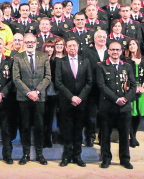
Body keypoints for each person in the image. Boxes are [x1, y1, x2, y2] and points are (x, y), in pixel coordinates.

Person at [12, 33, 51, 165]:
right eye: (27, 41)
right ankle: (26, 154)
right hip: (24, 98)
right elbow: (16, 78)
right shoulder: (17, 57)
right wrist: (29, 93)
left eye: (32, 42)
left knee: (40, 127)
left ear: (36, 43)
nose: (29, 44)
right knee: (25, 126)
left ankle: (40, 154)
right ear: (23, 42)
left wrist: (37, 91)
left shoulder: (44, 56)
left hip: (39, 98)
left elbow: (47, 77)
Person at [97, 41, 136, 170]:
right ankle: (106, 159)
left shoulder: (127, 66)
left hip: (124, 107)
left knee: (124, 135)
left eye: (117, 50)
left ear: (121, 51)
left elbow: (133, 85)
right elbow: (102, 86)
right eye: (112, 50)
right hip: (107, 107)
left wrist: (125, 99)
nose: (115, 52)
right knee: (105, 135)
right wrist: (116, 99)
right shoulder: (101, 66)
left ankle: (125, 159)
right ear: (108, 51)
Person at [55, 38, 92, 167]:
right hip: (66, 102)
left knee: (78, 130)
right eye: (69, 46)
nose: (72, 48)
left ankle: (77, 156)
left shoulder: (85, 61)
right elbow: (58, 82)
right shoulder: (60, 62)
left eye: (74, 46)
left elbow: (89, 82)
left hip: (81, 102)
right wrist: (71, 97)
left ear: (78, 47)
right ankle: (66, 156)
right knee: (67, 131)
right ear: (65, 48)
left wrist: (80, 97)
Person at [82, 30, 109, 147]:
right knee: (91, 116)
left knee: (105, 116)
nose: (101, 39)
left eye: (103, 37)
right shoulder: (87, 52)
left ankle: (103, 138)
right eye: (99, 37)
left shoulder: (111, 51)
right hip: (91, 89)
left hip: (107, 90)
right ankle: (90, 137)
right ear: (94, 39)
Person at [124, 39, 144, 148]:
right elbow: (125, 76)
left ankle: (134, 135)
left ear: (138, 46)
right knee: (130, 113)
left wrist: (143, 86)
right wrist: (133, 88)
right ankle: (130, 136)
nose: (132, 46)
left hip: (142, 89)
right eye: (130, 44)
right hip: (130, 89)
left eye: (134, 44)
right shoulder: (125, 60)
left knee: (138, 113)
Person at [42, 41, 57, 148]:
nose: (49, 49)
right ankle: (42, 138)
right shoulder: (40, 60)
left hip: (53, 91)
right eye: (47, 47)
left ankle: (48, 137)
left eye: (51, 47)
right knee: (41, 116)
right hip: (41, 90)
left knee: (50, 117)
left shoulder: (57, 61)